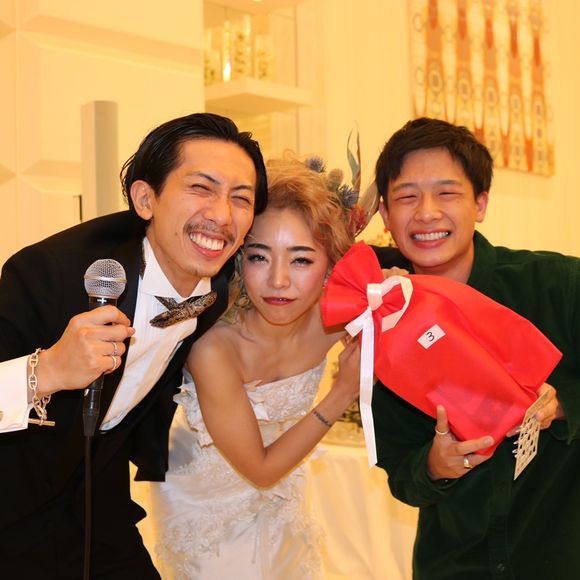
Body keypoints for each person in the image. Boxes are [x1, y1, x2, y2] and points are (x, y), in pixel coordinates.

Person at [0, 112, 267, 579]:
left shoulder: (217, 289)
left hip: (98, 498)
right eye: (201, 188)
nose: (223, 215)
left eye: (240, 198)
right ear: (145, 199)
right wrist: (49, 370)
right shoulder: (48, 273)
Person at [371, 117, 580, 579]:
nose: (427, 213)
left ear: (480, 203)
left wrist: (564, 402)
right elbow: (401, 473)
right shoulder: (384, 324)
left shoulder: (557, 285)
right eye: (407, 197)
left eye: (447, 193)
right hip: (453, 566)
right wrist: (434, 465)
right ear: (385, 216)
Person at [142, 156, 362, 579]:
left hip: (281, 495)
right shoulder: (214, 347)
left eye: (301, 260)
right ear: (239, 258)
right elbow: (260, 469)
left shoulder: (334, 320)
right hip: (204, 505)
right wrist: (341, 394)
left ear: (331, 265)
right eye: (260, 257)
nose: (278, 280)